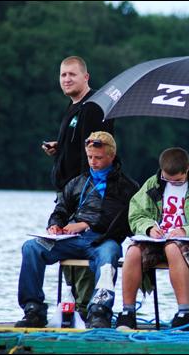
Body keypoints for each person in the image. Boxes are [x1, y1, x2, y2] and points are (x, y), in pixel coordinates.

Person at [16, 132, 138, 328]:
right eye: (90, 157)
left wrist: (85, 225)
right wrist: (55, 225)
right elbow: (61, 209)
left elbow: (120, 220)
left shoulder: (127, 186)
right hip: (72, 240)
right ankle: (33, 309)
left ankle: (99, 311)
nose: (93, 162)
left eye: (98, 158)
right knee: (31, 247)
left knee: (110, 255)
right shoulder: (77, 182)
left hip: (103, 241)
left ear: (111, 156)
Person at [116, 147, 189, 330]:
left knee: (172, 248)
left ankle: (183, 314)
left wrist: (186, 231)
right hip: (157, 241)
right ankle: (127, 313)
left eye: (177, 181)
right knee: (133, 252)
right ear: (161, 171)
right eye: (167, 179)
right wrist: (149, 228)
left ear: (187, 170)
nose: (172, 183)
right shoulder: (153, 183)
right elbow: (136, 214)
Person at [42, 56, 114, 319]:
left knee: (82, 252)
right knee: (67, 253)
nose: (67, 79)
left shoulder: (93, 107)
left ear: (86, 77)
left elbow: (98, 151)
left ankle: (86, 310)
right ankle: (77, 308)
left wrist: (87, 195)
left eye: (72, 74)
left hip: (86, 195)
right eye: (63, 75)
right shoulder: (73, 106)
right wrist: (59, 149)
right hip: (67, 194)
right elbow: (79, 145)